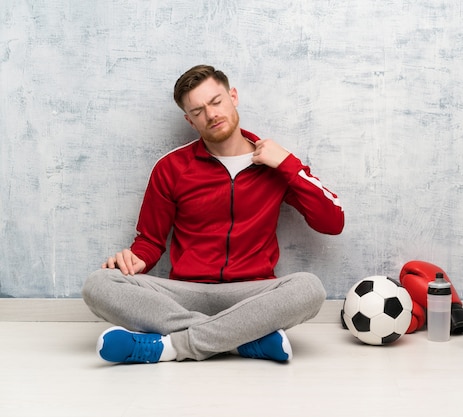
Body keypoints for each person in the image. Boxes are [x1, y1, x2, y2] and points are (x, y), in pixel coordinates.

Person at [82, 65, 344, 364]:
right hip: (184, 293)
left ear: (233, 96)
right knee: (98, 283)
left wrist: (289, 165)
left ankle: (170, 347)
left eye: (216, 101)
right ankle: (241, 340)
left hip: (252, 295)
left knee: (309, 288)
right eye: (198, 110)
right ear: (190, 120)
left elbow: (332, 222)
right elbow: (150, 242)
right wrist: (134, 259)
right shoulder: (172, 168)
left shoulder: (276, 165)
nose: (211, 114)